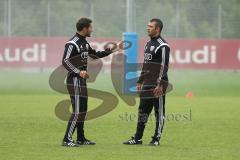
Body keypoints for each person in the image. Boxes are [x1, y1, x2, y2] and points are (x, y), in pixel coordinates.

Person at [61, 17, 121, 147]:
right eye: (90, 27)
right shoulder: (72, 43)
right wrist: (78, 71)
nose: (92, 30)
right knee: (77, 110)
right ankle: (67, 139)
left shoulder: (85, 43)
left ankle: (80, 138)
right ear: (85, 28)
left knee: (83, 109)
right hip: (75, 80)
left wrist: (112, 50)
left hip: (81, 81)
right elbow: (65, 61)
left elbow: (94, 55)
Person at [123, 18, 170, 146]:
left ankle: (156, 139)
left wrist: (159, 84)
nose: (147, 28)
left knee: (158, 112)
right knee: (143, 111)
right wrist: (140, 80)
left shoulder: (163, 46)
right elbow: (146, 64)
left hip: (158, 84)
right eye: (147, 26)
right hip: (147, 82)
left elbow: (164, 66)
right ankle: (137, 138)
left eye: (150, 26)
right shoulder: (147, 44)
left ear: (157, 29)